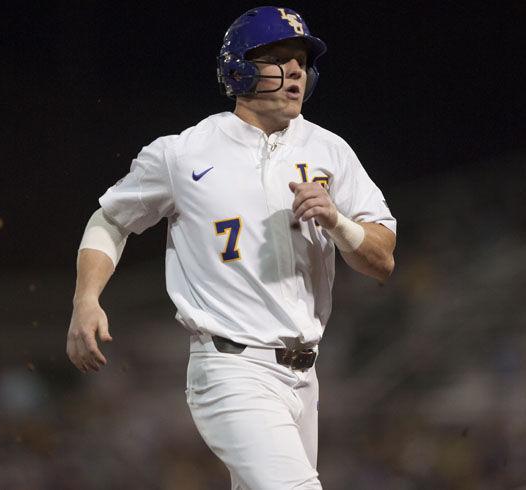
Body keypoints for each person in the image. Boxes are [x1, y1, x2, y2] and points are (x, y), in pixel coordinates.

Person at [66, 6, 396, 489]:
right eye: (279, 58)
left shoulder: (331, 151)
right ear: (236, 67)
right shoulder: (183, 154)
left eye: (301, 61)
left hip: (306, 375)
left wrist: (338, 222)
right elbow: (110, 219)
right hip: (230, 367)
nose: (295, 71)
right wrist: (85, 299)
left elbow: (383, 260)